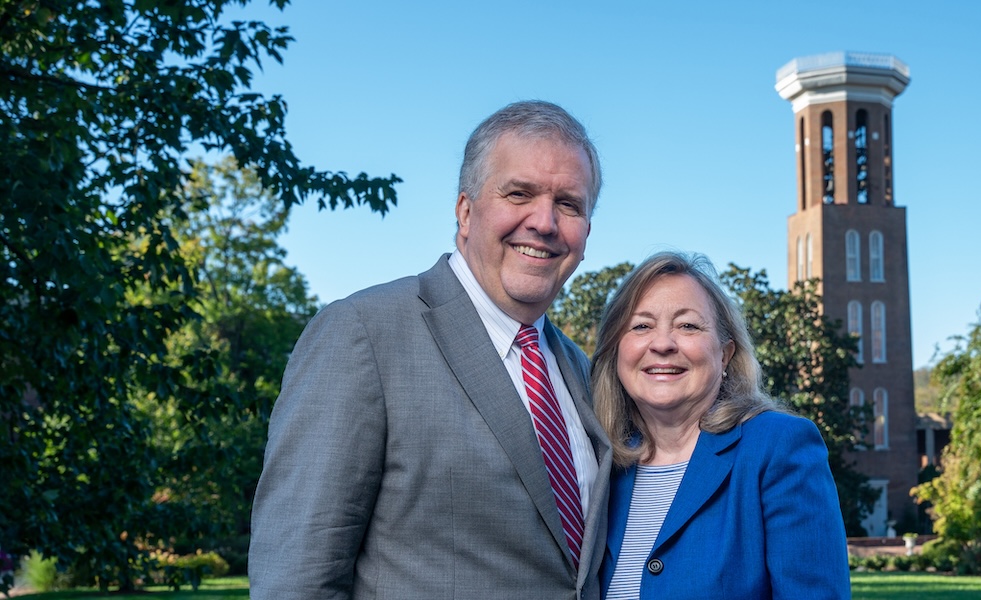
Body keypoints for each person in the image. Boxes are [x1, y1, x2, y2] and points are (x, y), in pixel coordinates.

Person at [249, 100, 613, 599]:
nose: (545, 222)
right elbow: (296, 582)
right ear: (465, 211)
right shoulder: (362, 334)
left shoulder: (583, 372)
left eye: (569, 204)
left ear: (586, 233)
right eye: (519, 193)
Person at [591, 252, 851, 599]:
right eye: (641, 326)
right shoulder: (600, 465)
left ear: (725, 353)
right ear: (616, 351)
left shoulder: (778, 446)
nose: (663, 344)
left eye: (688, 326)